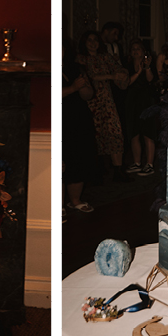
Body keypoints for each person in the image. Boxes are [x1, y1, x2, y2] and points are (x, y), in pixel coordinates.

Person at [77, 31, 130, 183]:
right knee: (95, 133)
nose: (93, 43)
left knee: (114, 131)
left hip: (107, 99)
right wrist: (111, 77)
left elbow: (118, 68)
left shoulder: (105, 57)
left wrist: (122, 73)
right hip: (91, 100)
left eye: (95, 40)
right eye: (89, 40)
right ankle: (97, 170)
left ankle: (118, 169)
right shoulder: (81, 59)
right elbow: (89, 76)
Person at [62, 37, 98, 215]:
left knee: (79, 158)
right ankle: (57, 205)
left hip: (78, 118)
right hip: (59, 119)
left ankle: (75, 200)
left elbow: (88, 95)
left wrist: (83, 86)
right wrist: (72, 88)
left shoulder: (74, 67)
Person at [124, 38, 158, 176]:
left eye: (138, 48)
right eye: (133, 49)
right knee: (134, 133)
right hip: (132, 101)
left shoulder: (149, 64)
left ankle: (149, 164)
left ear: (144, 51)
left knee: (148, 133)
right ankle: (137, 163)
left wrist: (146, 67)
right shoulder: (126, 66)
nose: (135, 51)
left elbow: (151, 79)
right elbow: (126, 83)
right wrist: (137, 72)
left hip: (146, 101)